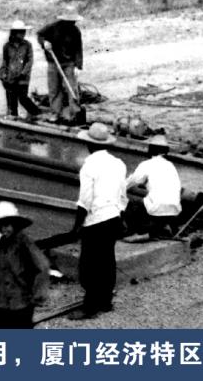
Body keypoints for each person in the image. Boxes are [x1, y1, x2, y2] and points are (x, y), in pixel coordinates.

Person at [70, 123, 128, 320]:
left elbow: (85, 200)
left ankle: (90, 306)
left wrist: (77, 226)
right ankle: (105, 301)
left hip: (96, 219)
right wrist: (121, 215)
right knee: (107, 260)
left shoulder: (89, 166)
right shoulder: (118, 163)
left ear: (89, 144)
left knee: (89, 264)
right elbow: (122, 195)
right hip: (113, 216)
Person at [0, 201, 49, 329]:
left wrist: (38, 295)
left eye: (7, 225)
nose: (3, 229)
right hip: (3, 301)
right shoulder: (3, 241)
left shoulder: (24, 242)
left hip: (20, 302)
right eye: (1, 226)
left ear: (15, 224)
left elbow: (42, 265)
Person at [124, 134, 182, 238]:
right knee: (152, 198)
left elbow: (132, 181)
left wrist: (119, 188)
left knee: (129, 201)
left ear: (150, 149)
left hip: (156, 209)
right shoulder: (170, 165)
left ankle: (135, 231)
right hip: (174, 209)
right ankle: (163, 227)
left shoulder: (147, 164)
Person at [37, 7, 84, 124]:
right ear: (64, 20)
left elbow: (78, 49)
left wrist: (78, 66)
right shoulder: (52, 27)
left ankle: (75, 113)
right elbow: (40, 35)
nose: (72, 23)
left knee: (72, 88)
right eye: (70, 21)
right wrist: (44, 42)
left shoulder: (75, 31)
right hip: (53, 62)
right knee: (54, 89)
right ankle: (55, 113)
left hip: (69, 63)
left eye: (73, 21)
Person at [0, 20, 42, 120]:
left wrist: (23, 73)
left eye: (24, 32)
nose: (23, 34)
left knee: (23, 98)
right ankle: (14, 118)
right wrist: (2, 73)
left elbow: (30, 61)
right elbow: (5, 61)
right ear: (14, 33)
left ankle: (37, 113)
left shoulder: (27, 45)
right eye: (21, 32)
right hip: (11, 77)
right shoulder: (7, 46)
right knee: (12, 100)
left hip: (23, 78)